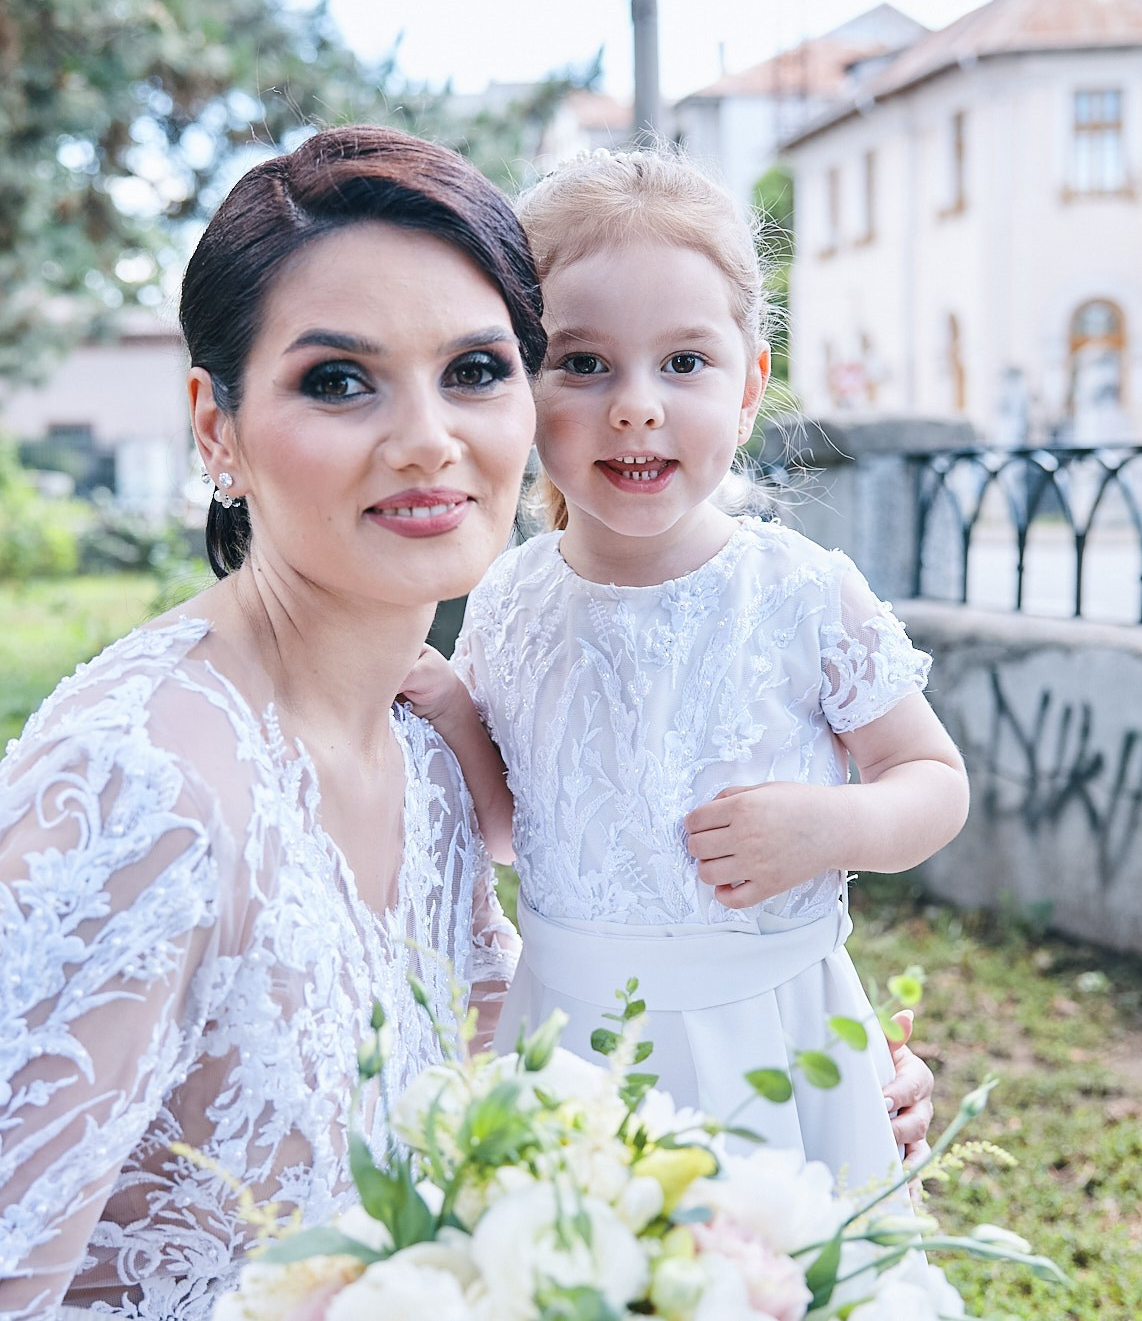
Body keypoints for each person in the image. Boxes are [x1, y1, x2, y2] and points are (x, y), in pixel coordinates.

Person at [0, 125, 543, 1321]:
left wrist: (793, 1067)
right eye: (337, 379)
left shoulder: (427, 749)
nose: (428, 438)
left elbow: (498, 1083)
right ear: (216, 428)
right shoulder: (134, 787)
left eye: (474, 370)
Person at [405, 149, 970, 1194]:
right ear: (518, 385)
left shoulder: (799, 592)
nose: (634, 406)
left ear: (749, 386)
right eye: (581, 363)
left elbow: (933, 783)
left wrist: (828, 825)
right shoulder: (508, 598)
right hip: (569, 1037)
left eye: (682, 363)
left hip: (767, 1030)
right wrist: (448, 704)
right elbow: (510, 827)